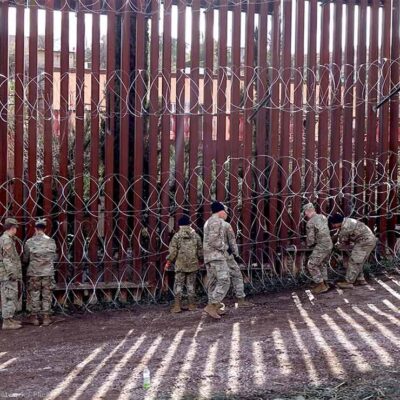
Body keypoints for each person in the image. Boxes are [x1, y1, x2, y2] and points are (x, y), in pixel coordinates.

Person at [328, 213, 377, 289]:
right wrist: (331, 239)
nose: (333, 226)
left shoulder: (346, 227)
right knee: (358, 261)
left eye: (333, 224)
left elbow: (341, 241)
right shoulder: (346, 222)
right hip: (367, 241)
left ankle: (348, 282)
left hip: (365, 242)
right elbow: (338, 234)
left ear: (337, 222)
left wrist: (332, 246)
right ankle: (360, 279)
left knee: (354, 260)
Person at [23, 219, 57, 326]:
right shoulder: (51, 241)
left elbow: (25, 259)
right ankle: (46, 317)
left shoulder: (29, 242)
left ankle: (35, 318)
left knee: (34, 293)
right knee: (47, 294)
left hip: (34, 272)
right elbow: (53, 257)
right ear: (45, 229)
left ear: (35, 229)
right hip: (48, 272)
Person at [165, 215, 202, 313]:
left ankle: (177, 306)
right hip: (193, 264)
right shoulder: (196, 235)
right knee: (191, 285)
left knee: (178, 285)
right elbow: (200, 251)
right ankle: (191, 305)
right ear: (190, 224)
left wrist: (168, 262)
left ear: (180, 225)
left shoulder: (176, 236)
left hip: (180, 265)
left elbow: (173, 252)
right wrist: (200, 260)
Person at [203, 201, 231, 319]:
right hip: (216, 256)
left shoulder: (208, 221)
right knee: (225, 280)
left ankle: (215, 307)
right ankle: (212, 305)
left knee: (213, 282)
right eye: (225, 211)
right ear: (220, 211)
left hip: (209, 257)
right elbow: (213, 240)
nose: (226, 214)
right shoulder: (216, 221)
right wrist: (225, 248)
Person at [223, 206, 252, 307]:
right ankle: (241, 300)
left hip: (213, 257)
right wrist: (236, 254)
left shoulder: (208, 224)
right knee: (237, 275)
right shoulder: (226, 225)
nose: (227, 214)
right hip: (226, 255)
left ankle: (215, 304)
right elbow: (232, 242)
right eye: (226, 212)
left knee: (216, 279)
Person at [303, 203, 333, 294]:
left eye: (305, 213)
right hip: (329, 243)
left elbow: (311, 239)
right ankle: (325, 283)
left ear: (307, 211)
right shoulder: (322, 217)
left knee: (311, 264)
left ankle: (320, 285)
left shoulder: (310, 222)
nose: (305, 215)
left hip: (322, 245)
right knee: (322, 263)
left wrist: (307, 245)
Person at [0, 218, 22, 330]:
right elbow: (7, 259)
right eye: (15, 228)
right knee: (9, 296)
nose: (16, 230)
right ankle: (7, 322)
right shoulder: (6, 240)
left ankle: (9, 318)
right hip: (7, 275)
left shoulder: (6, 239)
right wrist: (12, 273)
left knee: (10, 296)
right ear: (12, 228)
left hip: (6, 274)